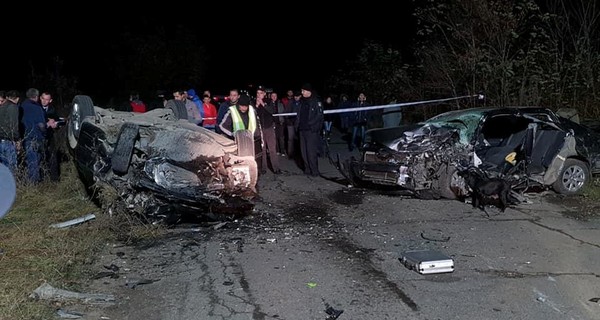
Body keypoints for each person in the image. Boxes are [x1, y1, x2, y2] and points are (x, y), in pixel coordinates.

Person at [21, 88, 55, 183]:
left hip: (25, 137)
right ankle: (34, 184)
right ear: (37, 97)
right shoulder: (37, 108)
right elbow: (41, 125)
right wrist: (47, 126)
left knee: (29, 161)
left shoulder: (21, 106)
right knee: (35, 162)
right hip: (35, 138)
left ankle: (28, 181)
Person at [295, 83, 323, 177]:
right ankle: (307, 169)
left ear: (308, 91)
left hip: (311, 130)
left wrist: (310, 124)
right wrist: (297, 125)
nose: (302, 92)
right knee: (303, 151)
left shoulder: (316, 101)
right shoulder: (301, 101)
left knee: (311, 151)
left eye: (303, 91)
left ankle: (314, 170)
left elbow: (319, 116)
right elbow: (298, 115)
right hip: (302, 130)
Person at [254, 86, 281, 174]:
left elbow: (272, 111)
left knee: (272, 148)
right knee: (263, 149)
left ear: (264, 94)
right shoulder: (254, 103)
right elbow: (253, 115)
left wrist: (263, 104)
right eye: (257, 93)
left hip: (269, 128)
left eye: (261, 93)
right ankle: (264, 168)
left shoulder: (269, 101)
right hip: (260, 129)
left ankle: (276, 168)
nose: (259, 95)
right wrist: (257, 106)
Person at [40, 92, 60, 181]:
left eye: (47, 99)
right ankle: (41, 177)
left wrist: (56, 125)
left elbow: (57, 120)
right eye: (43, 98)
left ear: (50, 100)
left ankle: (54, 179)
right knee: (40, 156)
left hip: (50, 136)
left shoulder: (52, 109)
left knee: (52, 156)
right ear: (40, 98)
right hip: (39, 136)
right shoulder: (37, 108)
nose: (44, 101)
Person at [0, 91, 20, 173]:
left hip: (1, 140)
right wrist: (17, 139)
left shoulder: (1, 107)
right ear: (17, 99)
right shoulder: (12, 107)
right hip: (8, 141)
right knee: (11, 168)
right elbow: (13, 126)